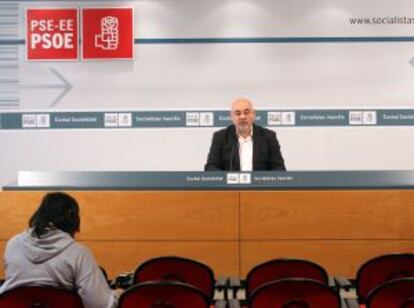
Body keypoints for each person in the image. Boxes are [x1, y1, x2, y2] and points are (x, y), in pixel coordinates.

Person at [0, 192, 118, 308]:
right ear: (72, 218)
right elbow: (99, 304)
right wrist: (117, 296)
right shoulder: (79, 253)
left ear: (40, 213)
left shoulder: (13, 244)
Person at [204, 98, 286, 171]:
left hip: (260, 187)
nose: (242, 117)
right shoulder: (221, 137)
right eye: (238, 113)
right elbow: (211, 167)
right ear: (231, 116)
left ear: (253, 114)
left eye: (246, 113)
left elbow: (279, 168)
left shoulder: (268, 136)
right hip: (231, 187)